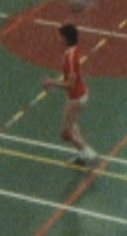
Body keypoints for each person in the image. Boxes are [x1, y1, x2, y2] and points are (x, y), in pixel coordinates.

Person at [42, 23, 97, 165]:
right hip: (75, 95)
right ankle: (82, 155)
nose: (59, 39)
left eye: (60, 36)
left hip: (76, 97)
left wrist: (51, 82)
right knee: (72, 125)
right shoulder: (71, 52)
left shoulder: (71, 57)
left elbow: (71, 84)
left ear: (66, 38)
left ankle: (87, 151)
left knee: (65, 133)